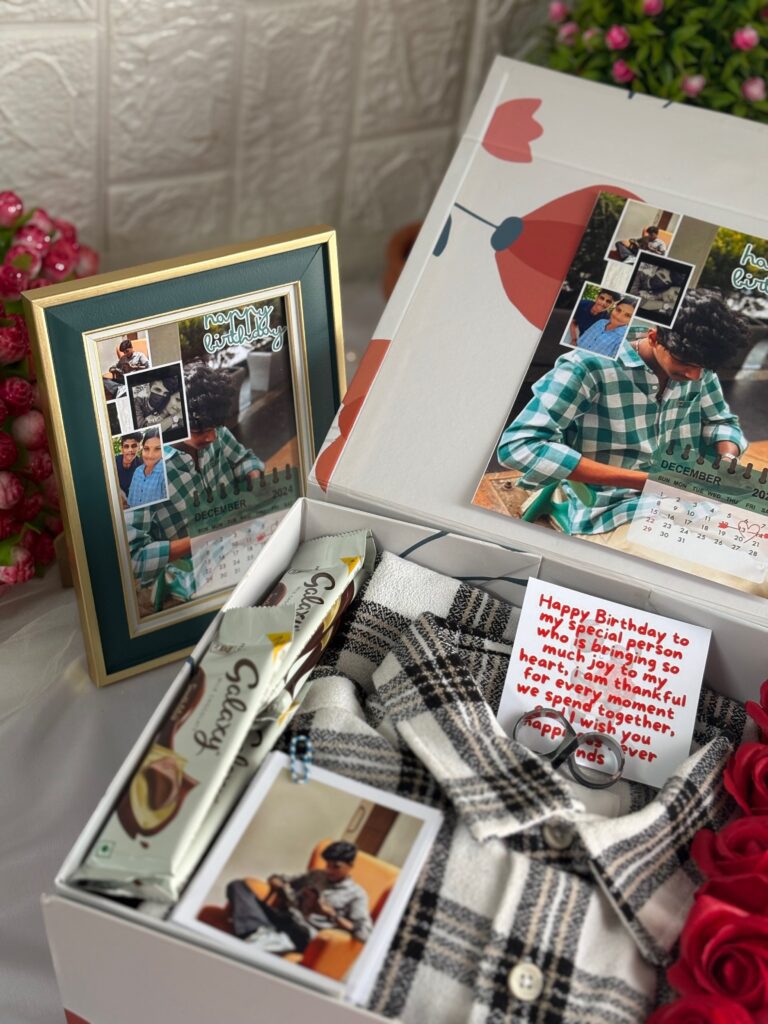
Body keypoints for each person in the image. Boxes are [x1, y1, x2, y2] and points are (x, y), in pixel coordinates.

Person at [497, 289, 747, 537]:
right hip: (612, 505)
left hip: (690, 499)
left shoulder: (700, 366)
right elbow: (519, 446)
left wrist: (727, 460)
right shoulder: (589, 366)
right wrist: (647, 480)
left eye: (704, 368)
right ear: (654, 337)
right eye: (685, 364)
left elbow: (721, 421)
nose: (695, 376)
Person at [125, 363, 264, 594]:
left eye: (215, 427)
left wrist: (255, 483)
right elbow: (136, 559)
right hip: (187, 570)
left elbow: (244, 459)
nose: (211, 437)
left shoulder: (215, 433)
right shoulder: (146, 473)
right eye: (199, 430)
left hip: (236, 542)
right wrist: (202, 538)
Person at [225, 840, 373, 954]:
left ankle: (255, 935)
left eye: (336, 867)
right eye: (327, 865)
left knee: (294, 931)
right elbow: (279, 878)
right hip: (284, 917)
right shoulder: (317, 875)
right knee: (237, 886)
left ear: (350, 865)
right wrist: (279, 886)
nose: (329, 870)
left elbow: (365, 934)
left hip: (304, 932)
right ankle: (261, 935)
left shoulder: (357, 895)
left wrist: (331, 914)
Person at [127, 429, 167, 507]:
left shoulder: (164, 473)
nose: (150, 455)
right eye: (146, 448)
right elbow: (130, 501)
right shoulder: (138, 471)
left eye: (157, 449)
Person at [115, 433, 142, 501]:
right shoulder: (113, 462)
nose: (130, 450)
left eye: (134, 446)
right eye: (126, 446)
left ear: (139, 448)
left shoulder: (141, 465)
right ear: (122, 449)